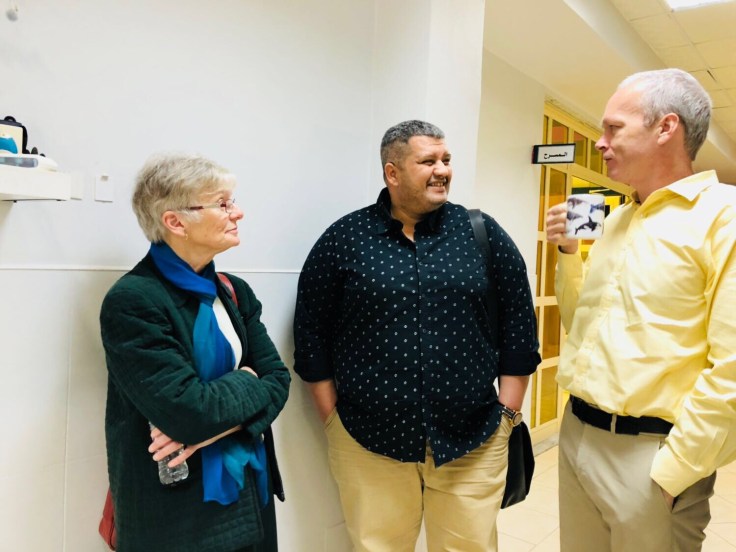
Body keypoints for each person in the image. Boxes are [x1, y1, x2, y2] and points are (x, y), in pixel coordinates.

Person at [293, 120, 540, 552]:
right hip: (367, 440)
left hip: (473, 439)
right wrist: (331, 418)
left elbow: (519, 324)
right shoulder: (345, 239)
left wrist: (507, 414)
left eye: (446, 160)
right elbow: (311, 333)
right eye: (428, 161)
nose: (442, 170)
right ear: (392, 173)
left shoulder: (481, 233)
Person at [546, 68, 736, 551]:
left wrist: (677, 471)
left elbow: (732, 368)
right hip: (578, 435)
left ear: (666, 127)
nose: (600, 142)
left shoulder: (724, 217)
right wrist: (568, 253)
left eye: (614, 128)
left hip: (651, 458)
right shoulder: (618, 220)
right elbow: (583, 325)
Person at [100, 153, 290, 552]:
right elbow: (189, 413)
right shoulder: (134, 300)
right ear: (175, 222)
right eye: (222, 203)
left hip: (250, 491)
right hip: (175, 514)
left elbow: (278, 380)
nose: (238, 212)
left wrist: (214, 431)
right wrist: (248, 378)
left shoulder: (234, 291)